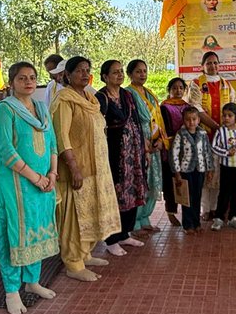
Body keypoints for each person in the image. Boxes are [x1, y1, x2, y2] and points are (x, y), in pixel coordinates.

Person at [0, 61, 59, 314]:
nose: (28, 82)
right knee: (13, 234)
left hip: (41, 184)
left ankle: (32, 281)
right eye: (22, 78)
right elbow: (6, 150)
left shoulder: (41, 109)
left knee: (34, 231)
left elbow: (52, 144)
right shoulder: (4, 110)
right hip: (13, 185)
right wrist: (35, 177)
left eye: (32, 77)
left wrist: (52, 174)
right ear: (11, 83)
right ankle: (11, 291)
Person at [51, 56, 121, 282]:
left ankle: (85, 254)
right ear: (67, 75)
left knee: (91, 212)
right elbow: (61, 136)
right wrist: (73, 167)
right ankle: (73, 263)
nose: (84, 74)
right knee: (74, 217)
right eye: (79, 70)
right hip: (77, 168)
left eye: (87, 70)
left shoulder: (90, 98)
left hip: (97, 168)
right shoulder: (64, 100)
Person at [97, 59, 148, 255]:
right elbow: (98, 127)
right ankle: (112, 240)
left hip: (133, 152)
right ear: (105, 76)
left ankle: (125, 233)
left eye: (120, 71)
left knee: (132, 191)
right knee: (115, 195)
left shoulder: (127, 95)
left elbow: (136, 121)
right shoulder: (101, 98)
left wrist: (143, 149)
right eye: (115, 72)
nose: (119, 75)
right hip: (115, 155)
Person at [188, 51, 236, 220]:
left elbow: (234, 107)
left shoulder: (226, 84)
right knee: (203, 172)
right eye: (208, 63)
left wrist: (226, 127)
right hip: (203, 136)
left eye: (215, 62)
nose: (212, 66)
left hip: (222, 138)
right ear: (203, 66)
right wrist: (215, 126)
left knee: (219, 173)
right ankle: (205, 209)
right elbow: (196, 109)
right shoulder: (196, 84)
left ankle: (216, 207)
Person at [126, 59, 165, 234]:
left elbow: (158, 119)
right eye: (138, 71)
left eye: (144, 71)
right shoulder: (128, 93)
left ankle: (145, 219)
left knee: (152, 181)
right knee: (140, 183)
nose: (142, 74)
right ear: (130, 74)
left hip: (154, 144)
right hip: (139, 145)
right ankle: (134, 223)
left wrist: (161, 139)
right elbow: (131, 120)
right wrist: (143, 142)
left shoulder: (149, 93)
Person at [172, 107, 214, 233]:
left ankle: (196, 223)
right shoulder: (180, 134)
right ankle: (188, 225)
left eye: (194, 119)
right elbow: (174, 153)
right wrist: (177, 172)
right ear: (183, 120)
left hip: (200, 169)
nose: (191, 122)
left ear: (199, 120)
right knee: (187, 198)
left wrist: (210, 169)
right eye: (188, 119)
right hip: (186, 170)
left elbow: (207, 152)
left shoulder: (203, 134)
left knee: (197, 196)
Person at [211, 102, 236, 231]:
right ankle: (219, 218)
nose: (226, 118)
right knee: (224, 193)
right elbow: (214, 147)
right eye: (224, 115)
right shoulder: (220, 131)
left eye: (230, 115)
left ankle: (234, 218)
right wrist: (226, 152)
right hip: (226, 168)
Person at [160, 77, 191, 226]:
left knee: (185, 181)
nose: (178, 91)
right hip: (170, 149)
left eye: (181, 88)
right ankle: (171, 212)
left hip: (186, 151)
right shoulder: (164, 107)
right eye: (174, 88)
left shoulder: (188, 106)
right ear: (169, 90)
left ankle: (187, 213)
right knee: (170, 182)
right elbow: (163, 129)